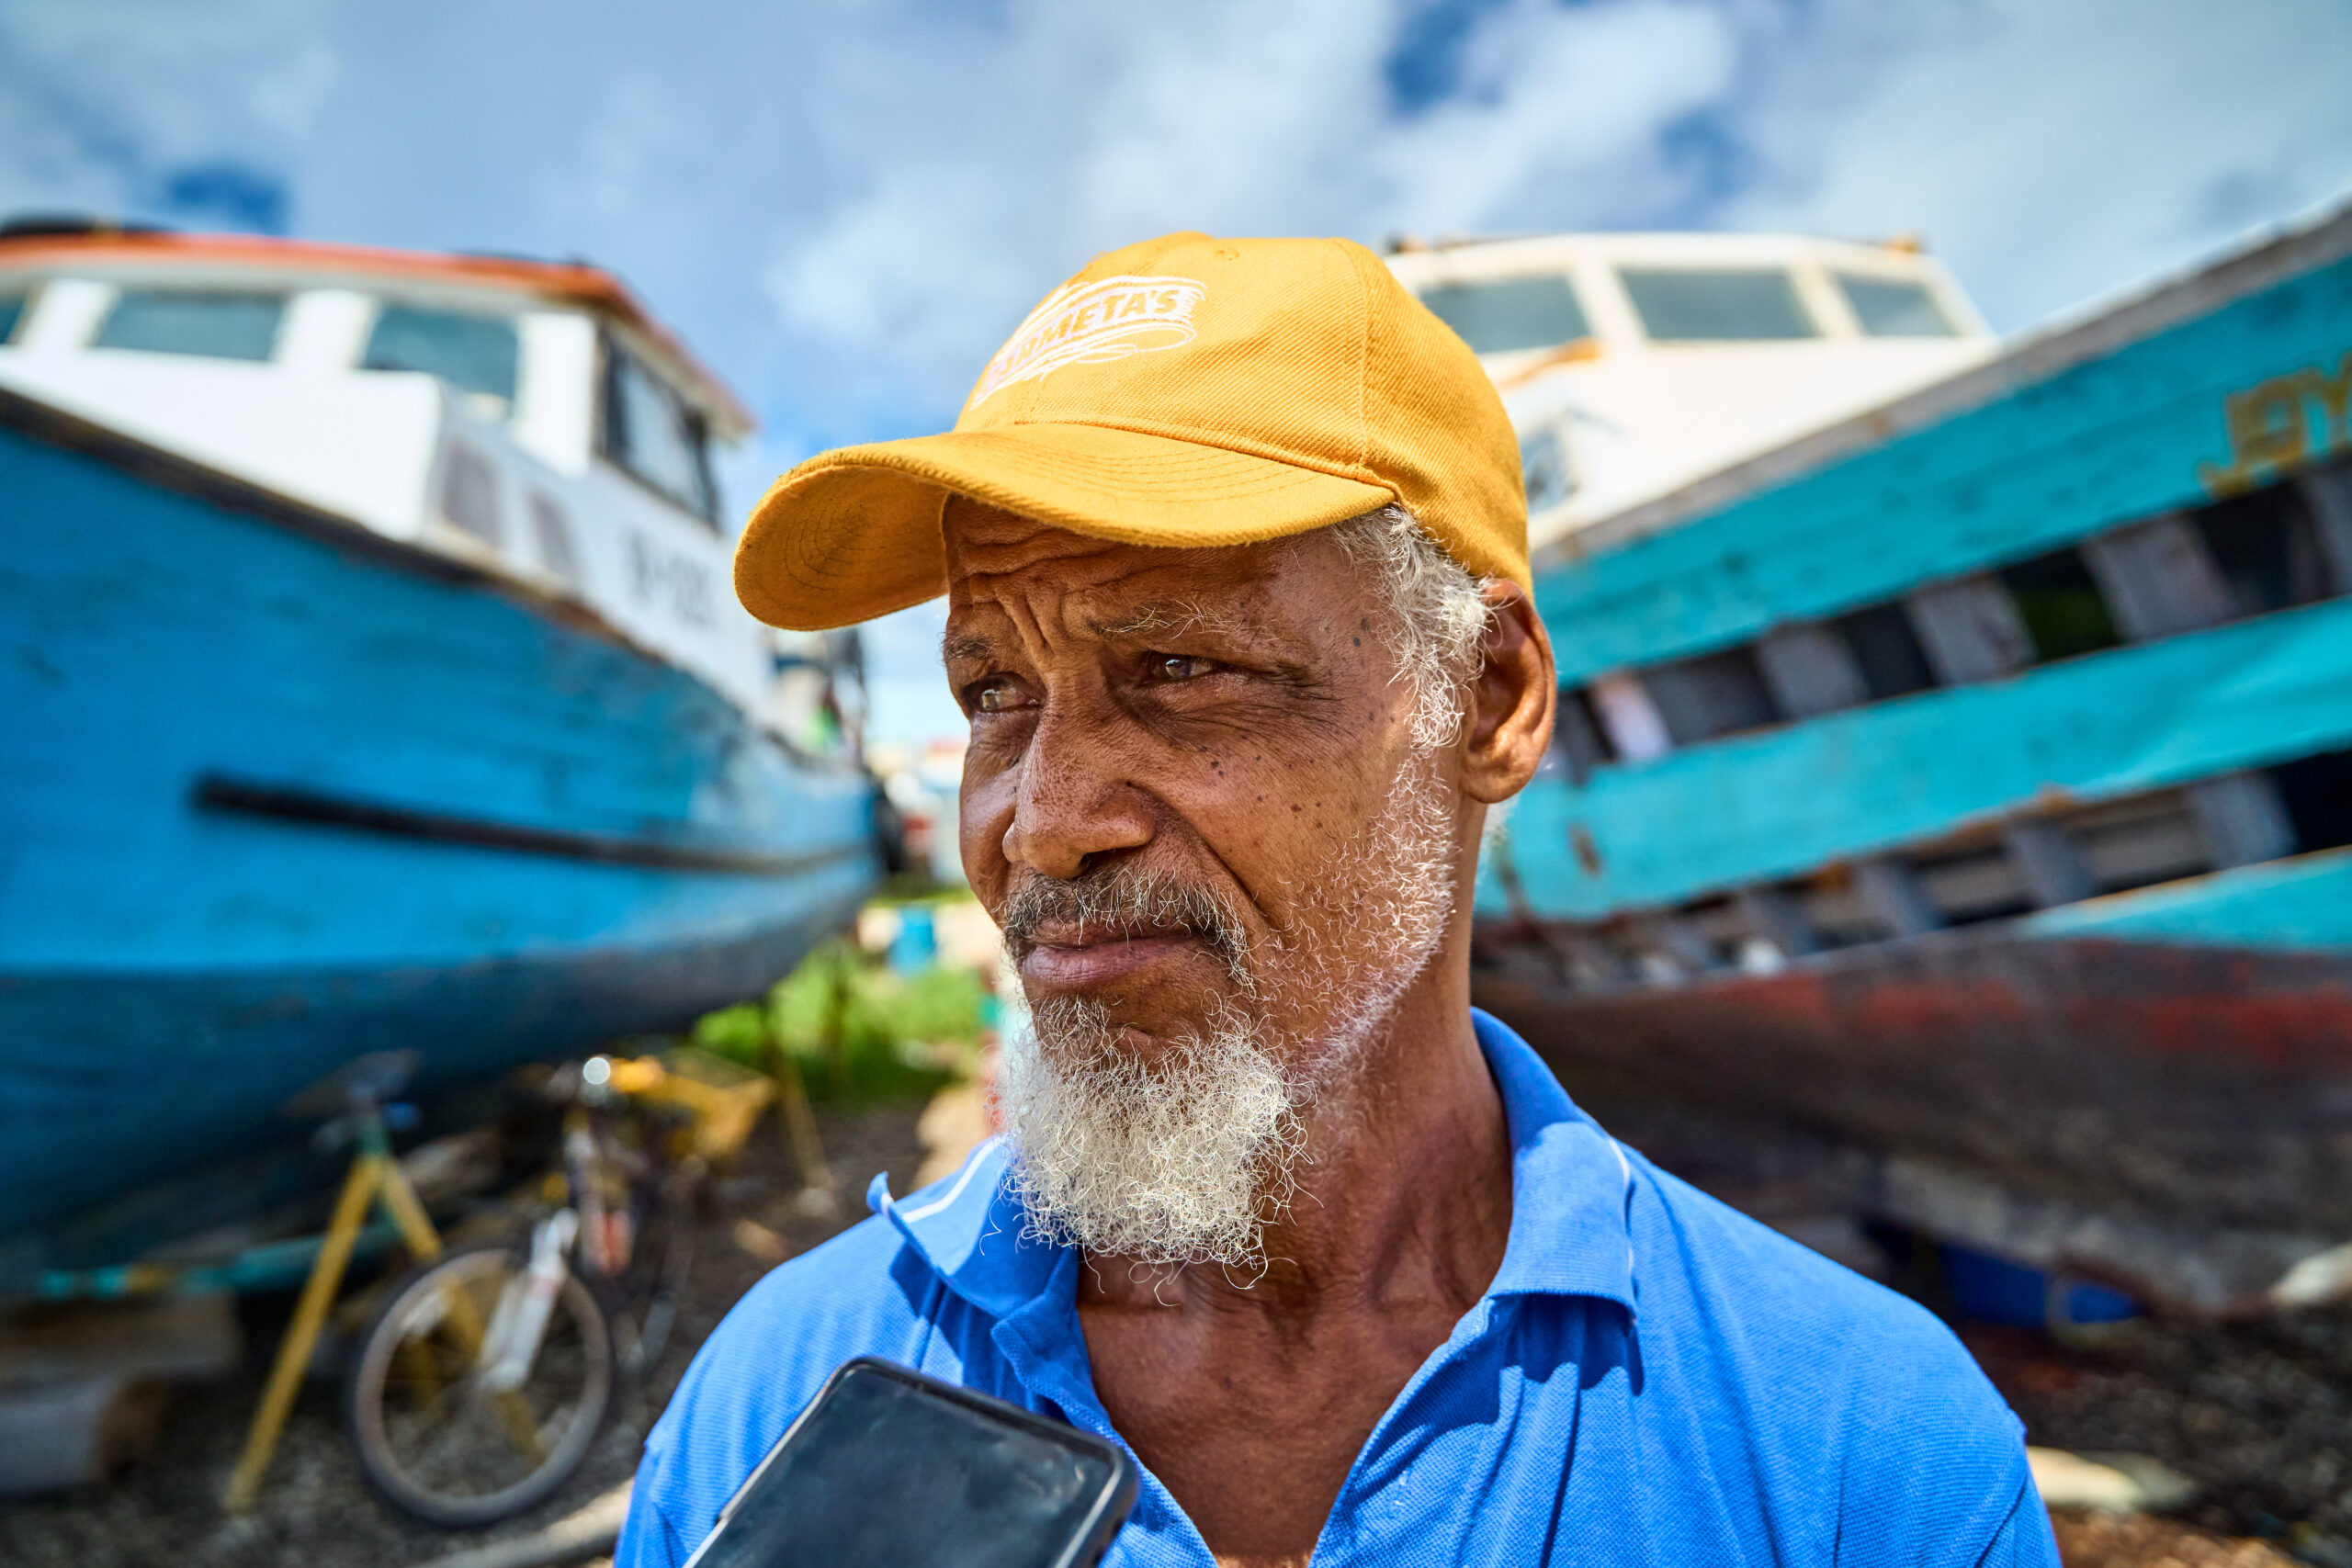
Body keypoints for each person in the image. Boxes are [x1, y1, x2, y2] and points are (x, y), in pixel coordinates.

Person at [616, 232, 2056, 1568]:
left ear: (1487, 699)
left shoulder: (1859, 1454)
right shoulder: (778, 1394)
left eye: (1180, 668)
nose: (1040, 824)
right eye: (994, 693)